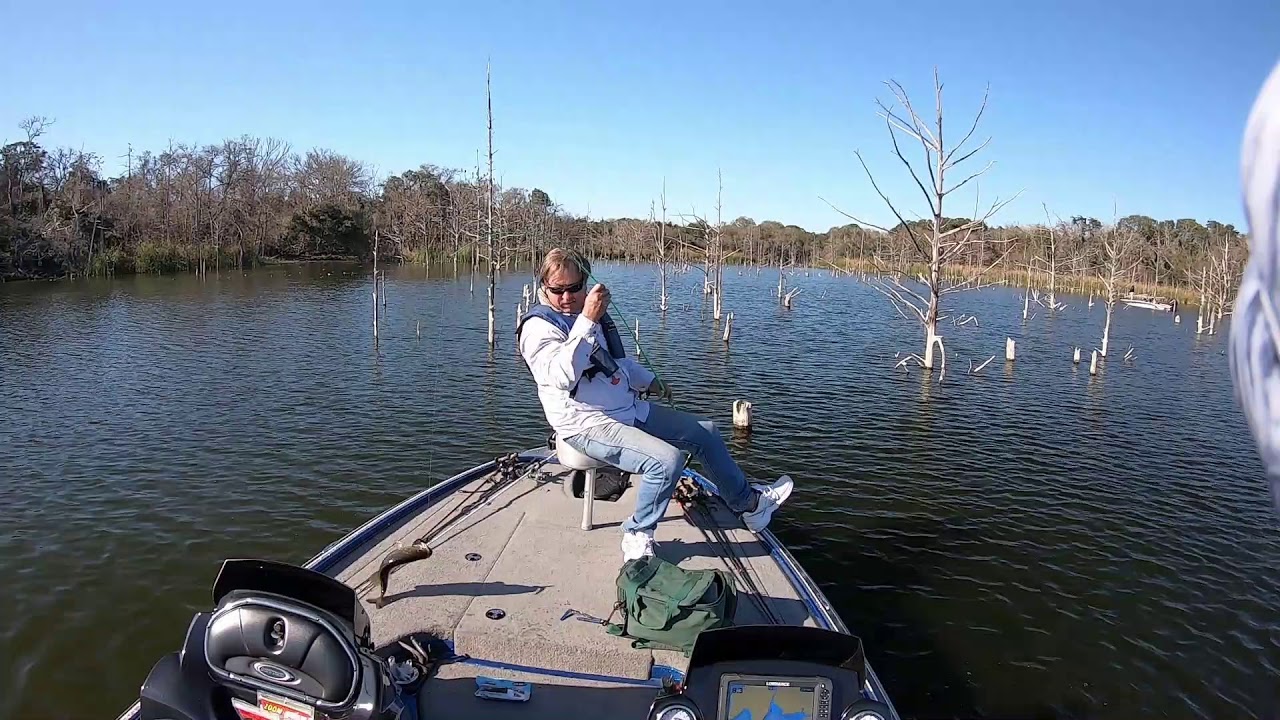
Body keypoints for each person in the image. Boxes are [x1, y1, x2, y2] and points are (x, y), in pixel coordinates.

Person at [516, 247, 793, 561]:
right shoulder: (539, 328)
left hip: (625, 410)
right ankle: (637, 534)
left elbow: (617, 365)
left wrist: (651, 381)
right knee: (665, 461)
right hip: (585, 423)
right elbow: (562, 376)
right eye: (557, 290)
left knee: (707, 433)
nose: (566, 297)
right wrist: (588, 320)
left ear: (587, 284)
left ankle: (750, 506)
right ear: (544, 289)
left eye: (574, 288)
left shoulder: (591, 320)